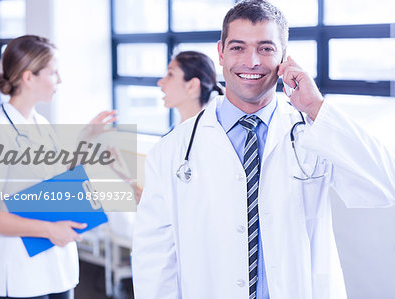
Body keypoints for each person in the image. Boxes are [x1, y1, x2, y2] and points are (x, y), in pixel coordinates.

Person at [131, 1, 395, 298]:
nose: (252, 61)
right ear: (220, 52)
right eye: (238, 47)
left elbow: (384, 185)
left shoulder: (311, 133)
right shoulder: (172, 152)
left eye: (266, 48)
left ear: (284, 55)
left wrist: (317, 108)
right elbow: (153, 260)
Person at [0, 35, 116, 299]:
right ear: (28, 77)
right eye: (53, 73)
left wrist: (85, 138)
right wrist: (50, 230)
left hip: (58, 268)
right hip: (20, 273)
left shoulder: (41, 124)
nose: (59, 81)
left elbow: (55, 181)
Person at [158, 51, 224, 124]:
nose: (160, 82)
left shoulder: (207, 132)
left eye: (170, 74)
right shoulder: (179, 130)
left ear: (192, 86)